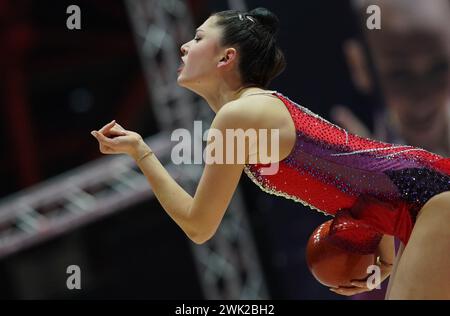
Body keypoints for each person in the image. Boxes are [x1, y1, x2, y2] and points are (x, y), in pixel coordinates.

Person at [91, 8, 450, 299]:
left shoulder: (238, 115)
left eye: (198, 38)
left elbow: (199, 225)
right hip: (421, 204)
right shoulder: (247, 112)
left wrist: (142, 153)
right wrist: (383, 256)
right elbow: (368, 176)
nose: (184, 46)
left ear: (227, 57)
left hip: (432, 199)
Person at [331, 0, 450, 299]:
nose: (421, 96)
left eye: (439, 67)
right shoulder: (344, 178)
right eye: (400, 74)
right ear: (360, 66)